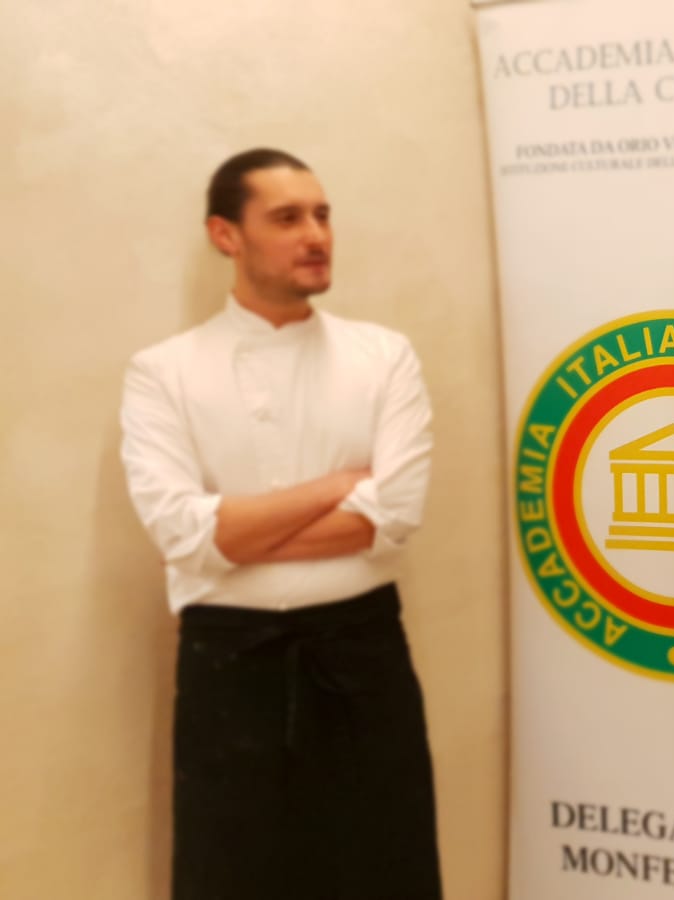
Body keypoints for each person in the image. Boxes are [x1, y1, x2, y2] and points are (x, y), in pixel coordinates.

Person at [120, 148, 441, 900]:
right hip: (228, 664)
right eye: (288, 218)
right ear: (225, 235)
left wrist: (230, 538)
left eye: (322, 215)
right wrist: (335, 489)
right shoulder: (163, 371)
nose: (316, 235)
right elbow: (181, 533)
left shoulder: (383, 356)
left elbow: (396, 511)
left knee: (384, 874)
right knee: (232, 878)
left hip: (362, 652)